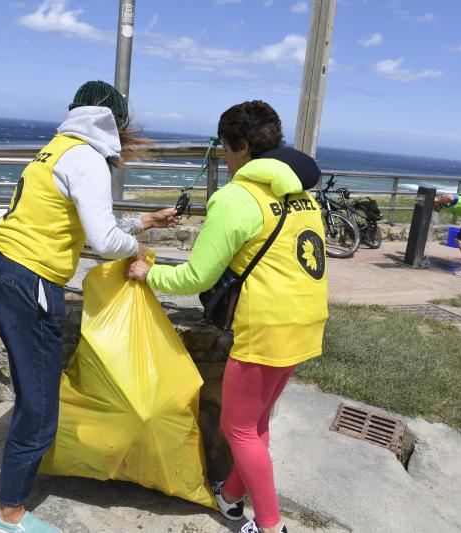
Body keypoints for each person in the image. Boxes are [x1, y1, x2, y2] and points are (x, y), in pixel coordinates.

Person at [126, 101, 328, 533]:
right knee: (255, 424)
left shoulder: (237, 197)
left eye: (224, 147)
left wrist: (148, 271)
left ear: (238, 146)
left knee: (237, 428)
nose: (222, 156)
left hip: (266, 329)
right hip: (306, 321)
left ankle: (271, 527)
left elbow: (197, 275)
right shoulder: (303, 196)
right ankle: (232, 498)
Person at [0, 80, 178, 533]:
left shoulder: (55, 148)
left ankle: (15, 490)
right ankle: (9, 514)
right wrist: (136, 250)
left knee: (31, 392)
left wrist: (143, 221)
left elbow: (81, 221)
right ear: (113, 122)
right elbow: (105, 240)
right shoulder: (88, 158)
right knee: (40, 408)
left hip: (1, 271)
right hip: (30, 281)